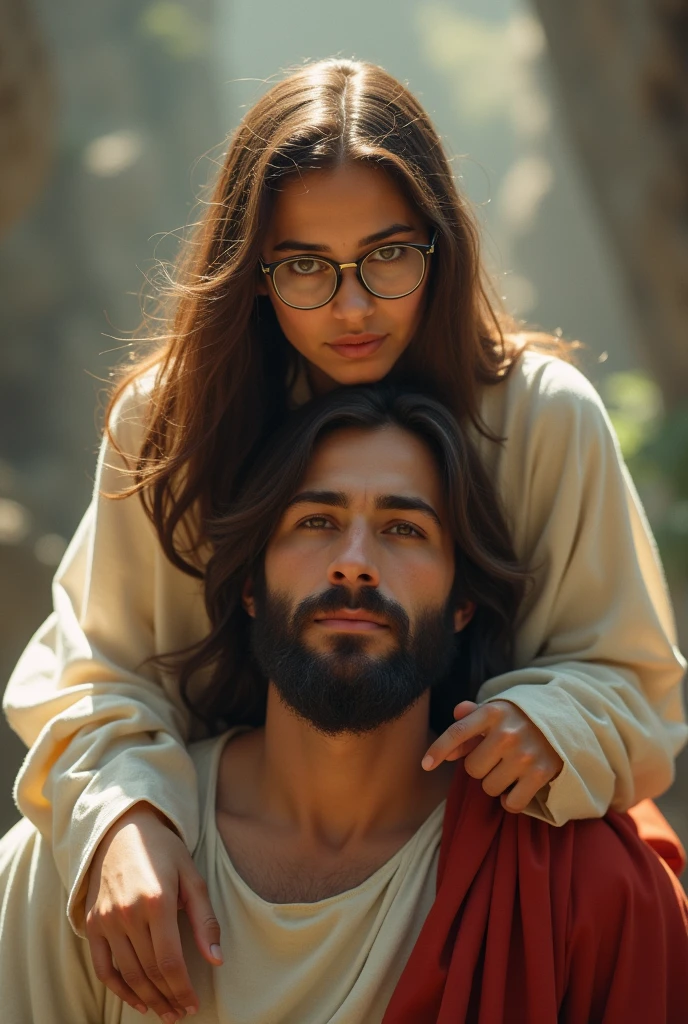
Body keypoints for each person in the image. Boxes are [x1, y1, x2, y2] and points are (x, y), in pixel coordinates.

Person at [3, 58, 686, 1021]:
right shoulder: (174, 423)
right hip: (220, 863)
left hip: (486, 860)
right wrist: (123, 815)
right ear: (254, 271)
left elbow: (634, 679)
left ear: (440, 247)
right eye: (306, 268)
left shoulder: (541, 418)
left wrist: (553, 721)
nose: (353, 306)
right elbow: (95, 670)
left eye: (387, 255)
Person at [2, 385, 687, 1024]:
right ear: (249, 587)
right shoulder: (86, 865)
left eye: (405, 529)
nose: (354, 562)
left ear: (461, 604)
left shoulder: (590, 892)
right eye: (316, 520)